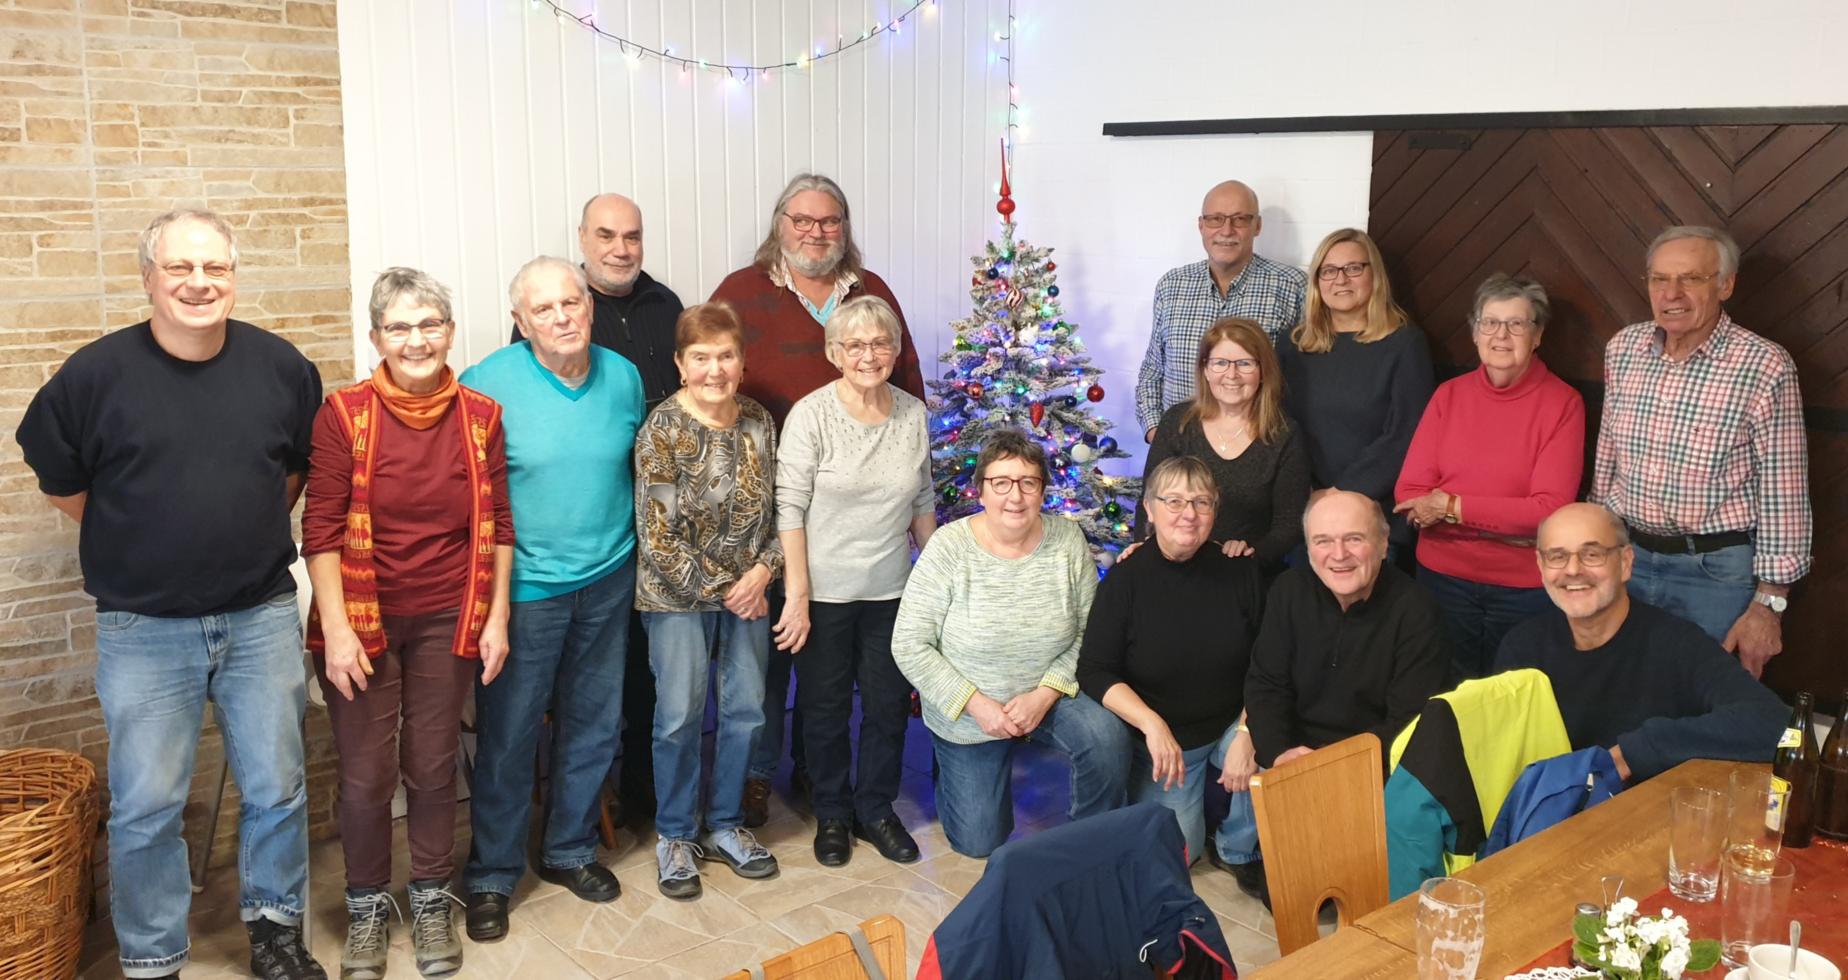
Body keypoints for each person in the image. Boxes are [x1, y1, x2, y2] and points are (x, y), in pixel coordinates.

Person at [15, 209, 326, 980]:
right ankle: (153, 957)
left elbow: (291, 474)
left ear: (234, 275)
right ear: (148, 277)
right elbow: (64, 483)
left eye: (214, 268)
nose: (198, 283)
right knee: (147, 808)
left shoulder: (282, 367)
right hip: (143, 628)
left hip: (259, 615)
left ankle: (276, 931)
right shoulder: (94, 376)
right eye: (180, 268)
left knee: (277, 787)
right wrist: (141, 536)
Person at [302, 268, 514, 979]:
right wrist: (334, 630)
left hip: (449, 617)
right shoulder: (344, 414)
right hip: (360, 618)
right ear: (376, 339)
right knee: (365, 777)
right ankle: (366, 905)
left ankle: (429, 895)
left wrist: (496, 615)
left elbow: (503, 525)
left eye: (429, 324)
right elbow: (321, 530)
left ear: (450, 332)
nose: (416, 339)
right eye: (399, 327)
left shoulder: (481, 415)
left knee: (430, 769)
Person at [712, 172, 927, 825]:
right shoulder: (741, 292)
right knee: (771, 661)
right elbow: (708, 373)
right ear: (780, 224)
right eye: (802, 220)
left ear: (845, 227)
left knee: (829, 673)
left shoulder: (870, 293)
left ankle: (817, 778)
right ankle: (756, 777)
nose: (816, 232)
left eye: (829, 221)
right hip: (764, 509)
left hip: (853, 518)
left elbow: (907, 383)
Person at [456, 257, 645, 941]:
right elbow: (470, 498)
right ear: (521, 321)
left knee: (594, 722)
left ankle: (568, 849)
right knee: (508, 737)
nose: (563, 317)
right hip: (526, 591)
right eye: (545, 309)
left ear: (589, 305)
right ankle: (491, 874)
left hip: (610, 575)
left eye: (572, 303)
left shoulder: (623, 377)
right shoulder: (485, 384)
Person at [504, 193, 685, 831]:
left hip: (626, 559)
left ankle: (604, 824)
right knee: (526, 722)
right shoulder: (503, 367)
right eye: (606, 235)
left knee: (618, 703)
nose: (620, 247)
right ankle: (514, 856)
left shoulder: (655, 327)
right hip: (538, 578)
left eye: (632, 236)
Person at [892, 430, 1131, 859]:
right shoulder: (949, 547)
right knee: (979, 842)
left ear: (1042, 490)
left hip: (1050, 695)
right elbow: (909, 643)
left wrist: (1045, 694)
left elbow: (1087, 632)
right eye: (1001, 482)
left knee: (1107, 736)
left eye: (1028, 482)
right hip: (971, 710)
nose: (1015, 496)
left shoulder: (1067, 541)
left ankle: (1092, 841)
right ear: (981, 490)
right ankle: (948, 769)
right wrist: (976, 704)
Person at [1591, 226, 1810, 677]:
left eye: (1691, 278)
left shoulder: (1764, 365)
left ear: (1725, 285)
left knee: (1697, 705)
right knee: (1619, 689)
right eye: (1658, 279)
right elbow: (1607, 460)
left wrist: (1768, 606)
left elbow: (1783, 494)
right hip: (1626, 558)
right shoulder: (1624, 349)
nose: (1671, 293)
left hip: (1713, 575)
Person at [772, 295, 936, 868]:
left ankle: (876, 809)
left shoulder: (914, 414)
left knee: (889, 705)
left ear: (893, 350)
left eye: (880, 343)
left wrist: (934, 577)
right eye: (856, 344)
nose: (870, 355)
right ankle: (834, 813)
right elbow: (788, 509)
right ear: (834, 351)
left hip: (891, 589)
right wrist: (797, 596)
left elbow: (921, 499)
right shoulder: (812, 415)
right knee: (824, 706)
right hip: (824, 591)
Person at [635, 301, 785, 900]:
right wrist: (727, 588)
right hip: (675, 596)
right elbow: (658, 533)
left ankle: (725, 824)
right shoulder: (662, 430)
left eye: (725, 356)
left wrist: (765, 570)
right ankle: (675, 833)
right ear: (680, 364)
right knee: (678, 715)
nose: (714, 369)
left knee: (747, 708)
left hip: (751, 591)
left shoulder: (759, 422)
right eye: (701, 358)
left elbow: (780, 513)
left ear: (743, 363)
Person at [1494, 504, 1787, 783]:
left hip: (1645, 819)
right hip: (1552, 819)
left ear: (1625, 563)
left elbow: (1775, 724)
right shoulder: (1522, 646)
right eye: (1557, 556)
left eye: (1592, 554)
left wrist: (1636, 752)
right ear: (1540, 566)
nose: (1573, 570)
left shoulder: (1677, 644)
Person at [1080, 456, 1266, 886]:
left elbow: (1270, 661)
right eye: (1175, 501)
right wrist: (1152, 724)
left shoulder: (1241, 569)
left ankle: (1239, 848)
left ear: (1215, 511)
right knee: (1175, 859)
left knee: (1275, 752)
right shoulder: (1125, 581)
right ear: (1149, 508)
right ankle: (1205, 807)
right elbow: (1094, 669)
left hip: (1229, 724)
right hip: (1167, 745)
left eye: (1201, 502)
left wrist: (1248, 732)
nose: (1189, 514)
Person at [1394, 274, 1585, 680]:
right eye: (1490, 322)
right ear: (1475, 331)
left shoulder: (1562, 403)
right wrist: (1502, 524)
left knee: (1515, 699)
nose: (1501, 335)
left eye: (1517, 324)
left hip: (1524, 589)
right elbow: (1410, 494)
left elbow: (1549, 511)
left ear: (1537, 336)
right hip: (1442, 580)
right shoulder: (1449, 395)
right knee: (1444, 694)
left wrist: (1449, 507)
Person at [1243, 490, 1450, 770]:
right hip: (1291, 757)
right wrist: (1278, 753)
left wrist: (1330, 765)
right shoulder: (1288, 591)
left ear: (1383, 543)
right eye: (1323, 541)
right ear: (1308, 548)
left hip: (1376, 766)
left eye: (1354, 539)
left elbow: (1409, 720)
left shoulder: (1417, 611)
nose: (1339, 555)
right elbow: (1266, 685)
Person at [1279, 228, 1435, 555]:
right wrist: (1301, 491)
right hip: (1305, 506)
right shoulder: (1293, 346)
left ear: (1373, 274)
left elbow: (1407, 433)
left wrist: (1341, 493)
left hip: (1373, 509)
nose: (1341, 280)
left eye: (1354, 268)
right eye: (1329, 271)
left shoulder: (1404, 344)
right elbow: (1281, 425)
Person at [1136, 179, 1308, 441]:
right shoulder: (1172, 285)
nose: (1226, 230)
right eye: (1216, 219)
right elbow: (1152, 370)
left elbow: (1305, 382)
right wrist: (1156, 433)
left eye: (1240, 219)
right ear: (1201, 225)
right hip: (1179, 449)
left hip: (1256, 452)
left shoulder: (1293, 286)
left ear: (1257, 226)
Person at [1138, 316, 1311, 573]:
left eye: (1244, 363)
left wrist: (1250, 554)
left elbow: (1289, 524)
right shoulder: (1177, 422)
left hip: (1245, 572)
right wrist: (1148, 554)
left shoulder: (1284, 434)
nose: (1232, 375)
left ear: (1263, 371)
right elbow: (1150, 500)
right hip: (1174, 568)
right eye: (1220, 363)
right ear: (1205, 369)